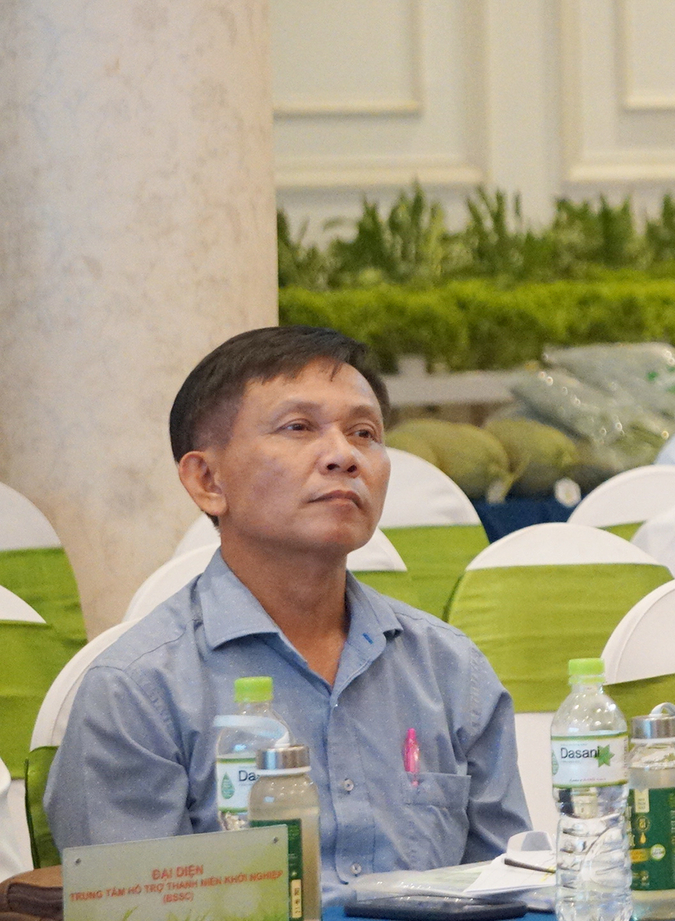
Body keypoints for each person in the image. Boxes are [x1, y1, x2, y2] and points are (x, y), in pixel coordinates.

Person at [46, 327, 528, 901]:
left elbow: (511, 893)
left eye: (364, 433)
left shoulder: (452, 672)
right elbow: (135, 913)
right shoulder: (136, 692)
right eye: (298, 428)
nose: (343, 456)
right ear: (207, 480)